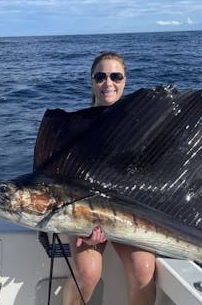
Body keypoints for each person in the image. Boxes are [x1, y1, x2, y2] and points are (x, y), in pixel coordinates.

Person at [61, 52, 156, 305]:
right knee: (87, 272)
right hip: (82, 213)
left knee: (143, 271)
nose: (108, 83)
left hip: (127, 214)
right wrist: (84, 225)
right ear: (91, 81)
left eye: (115, 76)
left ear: (125, 81)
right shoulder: (75, 127)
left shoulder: (140, 127)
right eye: (100, 76)